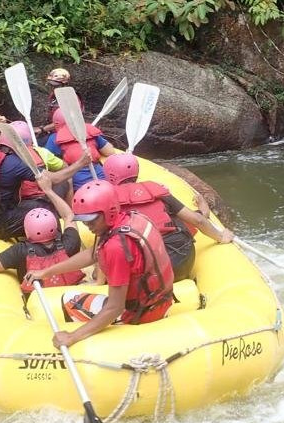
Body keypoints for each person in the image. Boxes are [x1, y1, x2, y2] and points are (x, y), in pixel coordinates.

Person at [25, 179, 175, 348]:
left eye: (91, 220)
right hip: (159, 301)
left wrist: (73, 337)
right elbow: (92, 254)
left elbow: (115, 308)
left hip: (141, 313)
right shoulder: (129, 219)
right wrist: (47, 272)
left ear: (108, 212)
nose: (87, 225)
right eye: (83, 220)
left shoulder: (116, 247)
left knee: (70, 301)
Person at [102, 152, 233, 279]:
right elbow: (198, 220)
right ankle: (203, 206)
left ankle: (203, 208)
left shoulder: (108, 201)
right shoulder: (156, 191)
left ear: (110, 175)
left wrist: (99, 280)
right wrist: (222, 237)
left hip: (147, 276)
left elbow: (103, 243)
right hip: (183, 263)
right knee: (178, 218)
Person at [0, 131, 89, 239]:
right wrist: (80, 164)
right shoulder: (16, 164)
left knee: (37, 205)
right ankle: (57, 251)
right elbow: (55, 179)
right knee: (47, 214)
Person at [0, 173, 84, 294]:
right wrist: (48, 191)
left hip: (38, 304)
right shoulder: (71, 242)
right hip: (70, 295)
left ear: (26, 230)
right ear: (55, 224)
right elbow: (68, 215)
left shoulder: (20, 251)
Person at [43, 107, 120, 191]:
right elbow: (110, 151)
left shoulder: (54, 138)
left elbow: (48, 164)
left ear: (57, 124)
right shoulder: (89, 131)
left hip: (76, 182)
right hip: (101, 177)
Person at [33, 67, 83, 139]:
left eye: (56, 85)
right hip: (53, 130)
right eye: (51, 84)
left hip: (68, 132)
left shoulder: (71, 97)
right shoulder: (53, 95)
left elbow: (67, 120)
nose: (53, 88)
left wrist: (43, 129)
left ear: (64, 84)